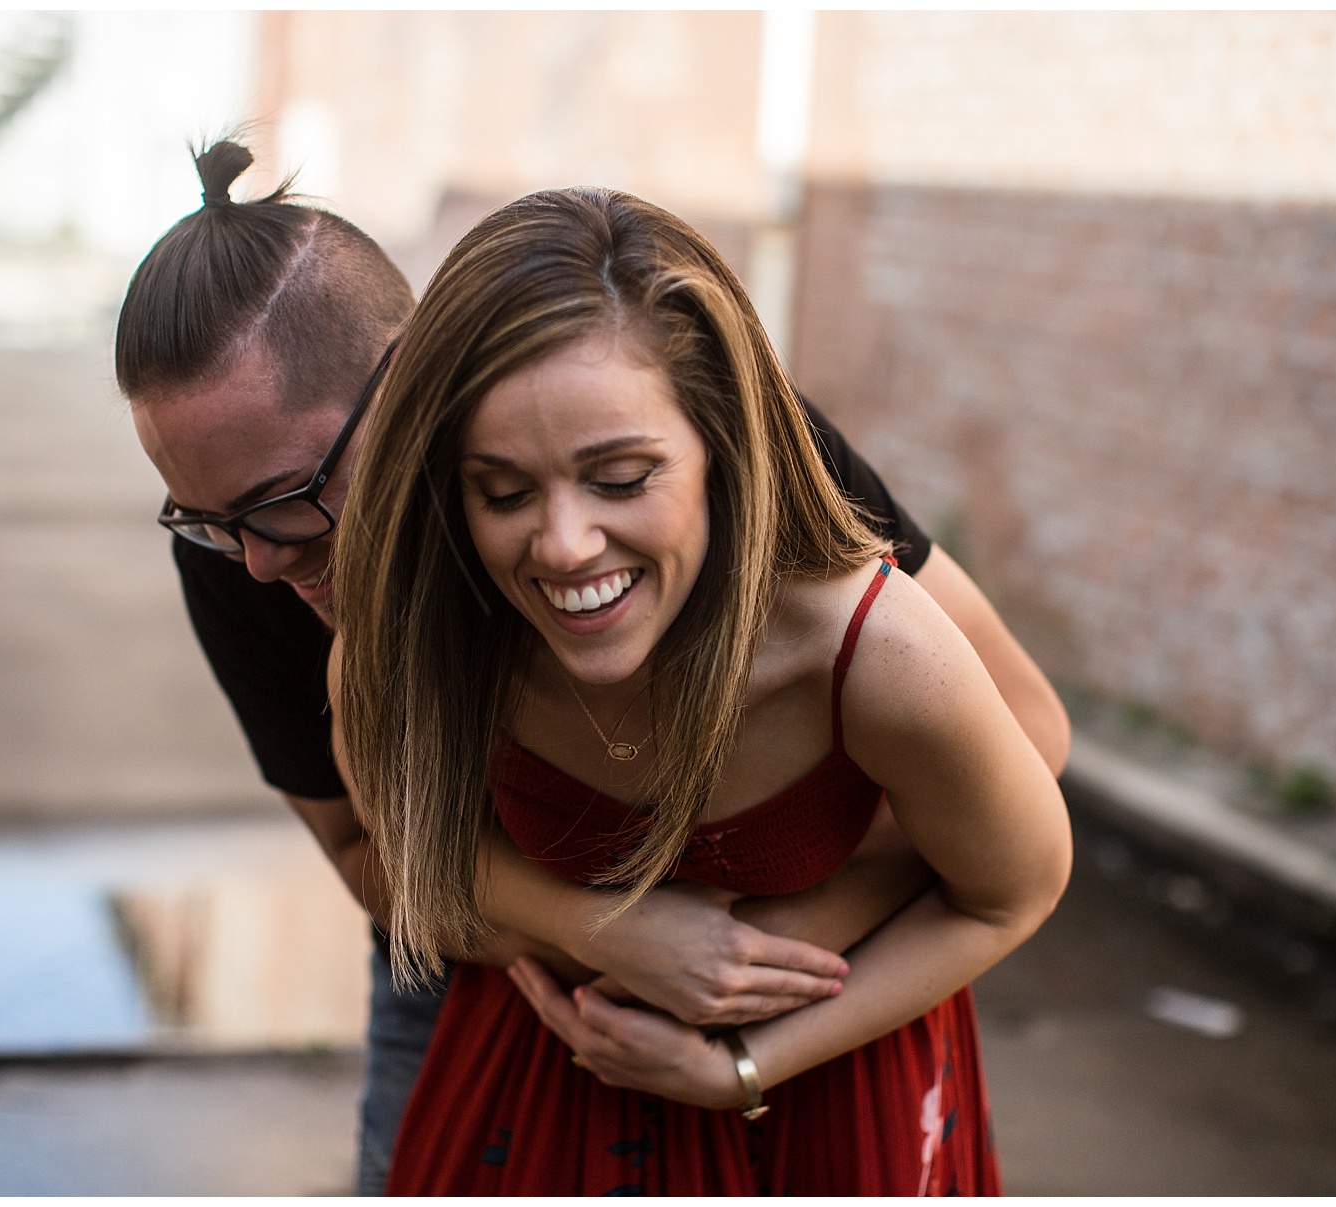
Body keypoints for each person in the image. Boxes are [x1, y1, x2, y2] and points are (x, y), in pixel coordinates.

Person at [117, 141, 1070, 1194]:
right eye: (206, 522)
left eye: (286, 499)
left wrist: (755, 960)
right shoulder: (253, 563)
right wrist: (603, 933)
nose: (257, 558)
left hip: (814, 973)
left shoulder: (686, 428)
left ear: (414, 383)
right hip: (505, 969)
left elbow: (1018, 751)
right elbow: (368, 848)